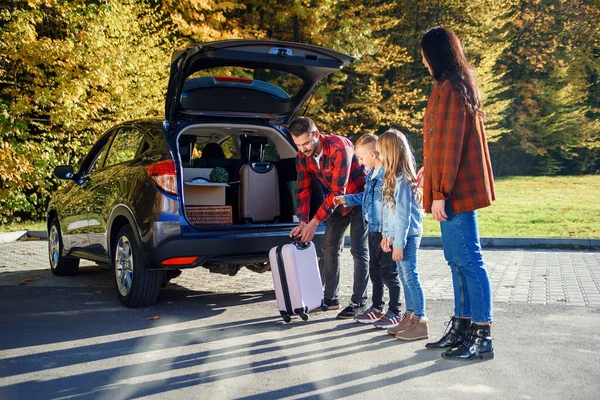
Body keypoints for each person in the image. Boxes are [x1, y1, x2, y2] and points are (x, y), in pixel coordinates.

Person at [419, 27, 496, 360]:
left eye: (424, 54)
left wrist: (439, 192)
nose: (422, 60)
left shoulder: (452, 90)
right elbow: (439, 142)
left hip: (455, 192)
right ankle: (462, 326)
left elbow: (451, 148)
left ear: (435, 54)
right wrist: (427, 171)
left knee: (469, 261)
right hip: (446, 187)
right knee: (456, 262)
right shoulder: (446, 88)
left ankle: (482, 334)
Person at [288, 116, 370, 319]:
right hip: (337, 203)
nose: (303, 149)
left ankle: (359, 302)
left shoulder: (339, 147)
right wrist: (303, 222)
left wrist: (314, 223)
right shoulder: (302, 155)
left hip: (359, 198)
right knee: (329, 246)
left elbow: (338, 191)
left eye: (306, 143)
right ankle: (330, 298)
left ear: (316, 135)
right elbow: (303, 189)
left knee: (359, 249)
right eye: (298, 145)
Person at [333, 133, 403, 329]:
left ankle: (396, 310)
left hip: (385, 232)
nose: (360, 162)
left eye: (361, 158)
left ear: (373, 154)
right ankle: (377, 307)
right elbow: (367, 198)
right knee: (375, 270)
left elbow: (390, 206)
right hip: (372, 229)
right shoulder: (371, 174)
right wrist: (347, 199)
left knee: (389, 272)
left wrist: (388, 235)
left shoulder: (386, 176)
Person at [376, 129, 427, 341]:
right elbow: (389, 211)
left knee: (410, 275)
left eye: (380, 152)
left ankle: (421, 320)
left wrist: (398, 242)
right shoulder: (392, 178)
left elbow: (404, 216)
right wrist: (386, 235)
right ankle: (409, 316)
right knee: (404, 276)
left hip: (408, 235)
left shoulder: (404, 181)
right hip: (398, 236)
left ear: (391, 153)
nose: (378, 156)